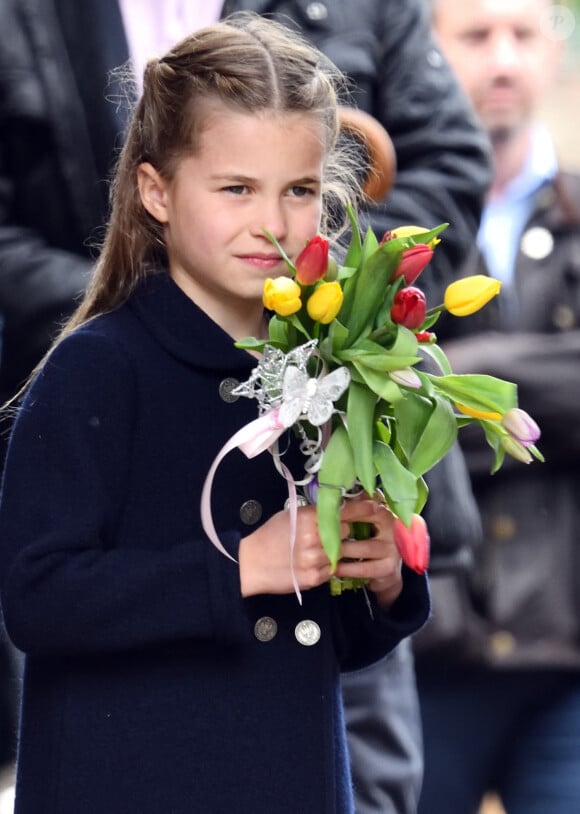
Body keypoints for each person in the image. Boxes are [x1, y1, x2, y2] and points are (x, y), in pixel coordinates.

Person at [0, 2, 491, 810]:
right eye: (235, 188)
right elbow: (38, 598)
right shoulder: (94, 368)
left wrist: (383, 582)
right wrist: (240, 567)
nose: (272, 222)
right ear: (156, 192)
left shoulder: (330, 375)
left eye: (299, 189)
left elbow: (341, 637)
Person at [415, 1, 580, 812]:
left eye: (523, 34)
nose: (503, 61)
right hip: (428, 645)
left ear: (555, 50)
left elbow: (405, 392)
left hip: (570, 662)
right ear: (427, 50)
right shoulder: (394, 226)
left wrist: (451, 378)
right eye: (476, 36)